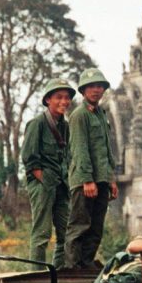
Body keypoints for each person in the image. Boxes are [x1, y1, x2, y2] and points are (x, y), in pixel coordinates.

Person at [65, 68, 118, 270]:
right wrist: (87, 179)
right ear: (83, 90)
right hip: (84, 181)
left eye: (99, 86)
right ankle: (71, 268)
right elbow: (79, 149)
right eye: (91, 87)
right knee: (80, 225)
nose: (96, 90)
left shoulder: (100, 115)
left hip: (102, 180)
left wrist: (110, 179)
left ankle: (86, 265)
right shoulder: (79, 115)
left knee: (96, 228)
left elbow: (105, 151)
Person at [21, 77, 75, 269]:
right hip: (42, 184)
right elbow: (29, 158)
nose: (64, 102)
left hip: (61, 185)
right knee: (42, 233)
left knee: (66, 232)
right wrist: (43, 180)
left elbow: (68, 156)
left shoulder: (66, 126)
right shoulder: (37, 124)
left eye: (67, 98)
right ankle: (36, 276)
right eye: (59, 97)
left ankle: (58, 274)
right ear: (48, 100)